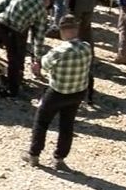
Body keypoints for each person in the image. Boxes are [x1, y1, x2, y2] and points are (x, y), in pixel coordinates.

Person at [27, 14, 92, 172]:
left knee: (41, 121)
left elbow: (44, 66)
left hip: (57, 92)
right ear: (76, 29)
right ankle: (59, 159)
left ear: (62, 31)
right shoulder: (86, 47)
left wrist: (37, 66)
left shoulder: (58, 51)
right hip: (77, 93)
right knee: (67, 125)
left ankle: (34, 155)